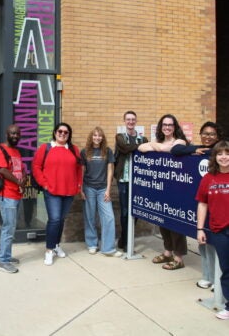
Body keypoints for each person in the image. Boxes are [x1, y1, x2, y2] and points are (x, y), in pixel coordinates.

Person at [172, 121, 223, 288]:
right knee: (204, 243)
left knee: (219, 247)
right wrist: (193, 149)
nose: (208, 137)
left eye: (212, 134)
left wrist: (208, 151)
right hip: (203, 202)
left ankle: (219, 280)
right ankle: (208, 277)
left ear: (218, 137)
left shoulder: (220, 151)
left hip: (219, 204)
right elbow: (175, 150)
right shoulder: (198, 150)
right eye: (205, 133)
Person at [138, 114, 188, 270]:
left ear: (175, 127)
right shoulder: (158, 142)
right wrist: (158, 146)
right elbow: (140, 147)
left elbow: (173, 149)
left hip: (177, 189)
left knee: (176, 224)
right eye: (164, 124)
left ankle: (178, 258)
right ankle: (167, 252)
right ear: (161, 127)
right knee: (163, 222)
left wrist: (156, 147)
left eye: (170, 125)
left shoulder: (180, 141)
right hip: (161, 189)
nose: (167, 127)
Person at [32, 122, 82, 266]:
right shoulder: (45, 148)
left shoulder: (73, 149)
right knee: (54, 219)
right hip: (52, 190)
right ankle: (49, 250)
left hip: (69, 191)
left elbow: (79, 168)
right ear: (55, 132)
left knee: (61, 219)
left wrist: (78, 185)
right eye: (60, 131)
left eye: (66, 132)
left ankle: (56, 245)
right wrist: (44, 184)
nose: (62, 134)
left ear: (69, 135)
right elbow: (36, 166)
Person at [196, 140, 229, 320]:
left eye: (227, 153)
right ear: (215, 157)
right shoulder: (209, 178)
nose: (224, 157)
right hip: (219, 230)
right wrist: (200, 228)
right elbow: (202, 204)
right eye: (220, 154)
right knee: (227, 269)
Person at [81, 127, 122, 257]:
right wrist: (80, 189)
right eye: (95, 135)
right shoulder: (85, 152)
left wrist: (109, 190)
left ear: (102, 137)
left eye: (99, 136)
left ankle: (108, 248)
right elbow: (81, 171)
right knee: (90, 216)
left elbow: (110, 171)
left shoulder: (107, 151)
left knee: (108, 217)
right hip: (89, 188)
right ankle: (92, 244)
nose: (97, 138)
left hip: (103, 188)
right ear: (91, 137)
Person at [0, 124, 27, 274]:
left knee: (10, 225)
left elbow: (22, 169)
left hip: (16, 193)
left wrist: (24, 179)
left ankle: (4, 255)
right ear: (7, 134)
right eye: (12, 133)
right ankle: (3, 261)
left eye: (18, 134)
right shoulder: (0, 150)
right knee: (9, 226)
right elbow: (2, 169)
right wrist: (18, 182)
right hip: (6, 194)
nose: (15, 136)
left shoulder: (16, 151)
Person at [114, 111, 148, 252]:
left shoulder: (143, 139)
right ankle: (126, 239)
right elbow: (125, 148)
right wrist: (140, 148)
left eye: (133, 119)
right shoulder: (120, 137)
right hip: (124, 179)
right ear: (124, 121)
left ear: (136, 121)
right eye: (128, 119)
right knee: (124, 211)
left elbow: (147, 151)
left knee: (136, 210)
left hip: (138, 180)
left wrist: (145, 146)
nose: (131, 122)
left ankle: (126, 238)